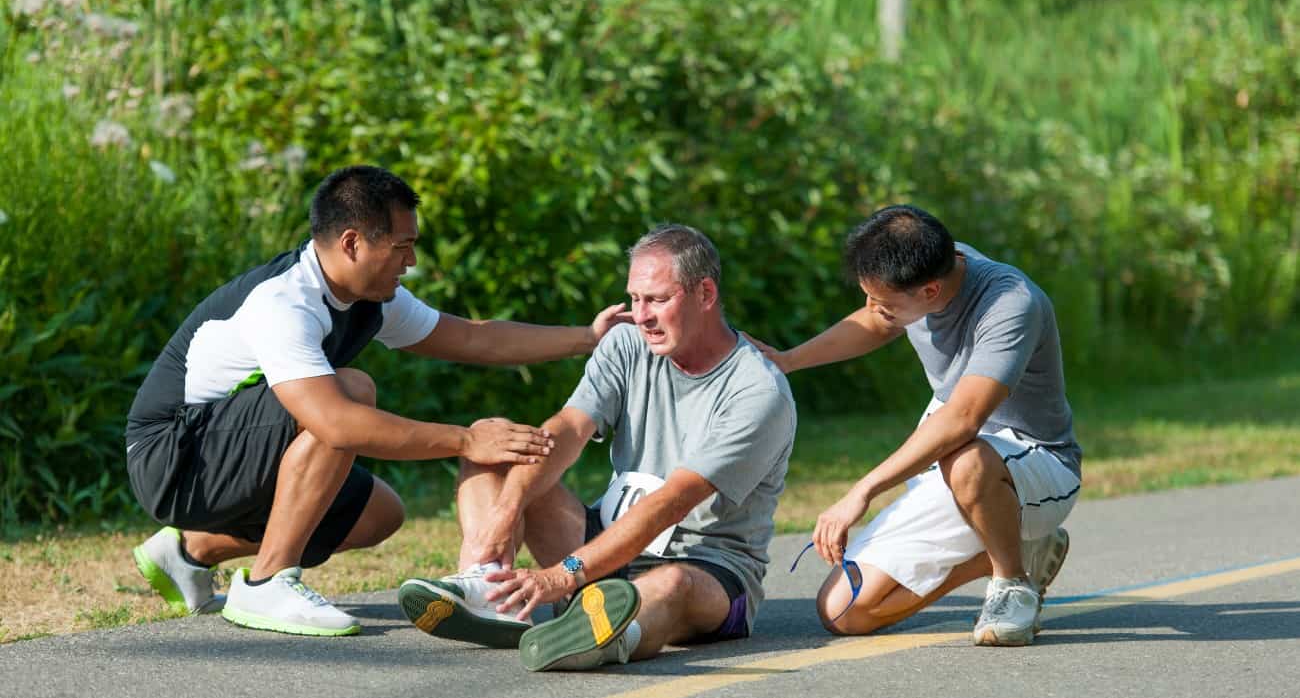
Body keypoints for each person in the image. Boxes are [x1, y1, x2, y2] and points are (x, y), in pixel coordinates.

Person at [126, 165, 631, 637]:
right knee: (350, 393)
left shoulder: (370, 299)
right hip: (173, 457)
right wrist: (467, 440)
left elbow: (477, 339)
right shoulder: (284, 302)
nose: (410, 262)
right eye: (402, 246)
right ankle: (266, 584)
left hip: (219, 454)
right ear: (352, 243)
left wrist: (587, 336)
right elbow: (338, 424)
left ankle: (190, 551)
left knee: (378, 514)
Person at [397, 224, 796, 671]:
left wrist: (562, 574)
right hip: (605, 543)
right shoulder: (628, 342)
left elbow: (670, 503)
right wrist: (509, 508)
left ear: (705, 294)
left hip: (708, 570)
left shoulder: (758, 391)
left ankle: (609, 636)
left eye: (658, 300)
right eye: (635, 298)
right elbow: (568, 429)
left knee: (672, 584)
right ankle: (491, 590)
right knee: (495, 447)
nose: (641, 315)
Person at [753, 205, 1080, 646]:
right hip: (949, 460)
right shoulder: (932, 269)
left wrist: (861, 491)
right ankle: (1006, 552)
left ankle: (1011, 582)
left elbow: (963, 420)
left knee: (965, 459)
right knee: (844, 611)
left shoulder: (1010, 304)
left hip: (1036, 466)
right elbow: (875, 322)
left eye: (884, 302)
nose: (873, 309)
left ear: (929, 293)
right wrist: (787, 361)